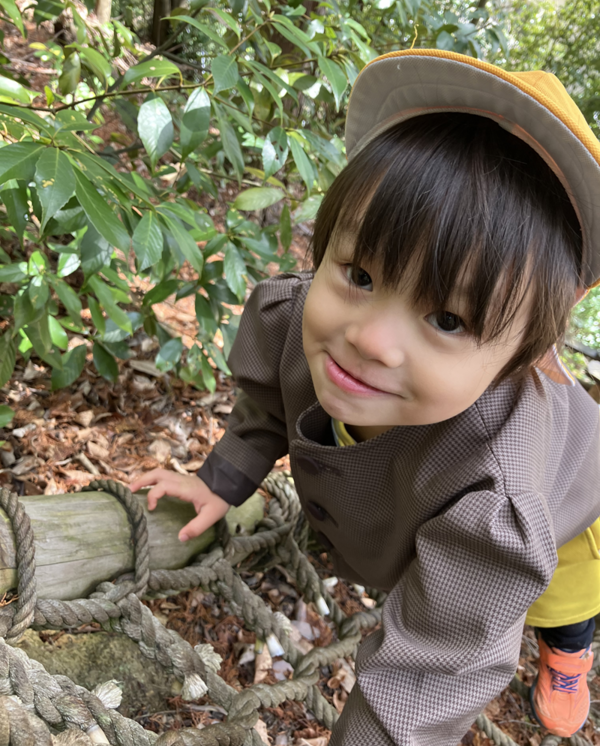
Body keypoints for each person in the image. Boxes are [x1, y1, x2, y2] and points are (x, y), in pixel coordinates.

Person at [129, 49, 600, 746]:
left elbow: (430, 675)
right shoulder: (295, 323)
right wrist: (222, 478)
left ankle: (569, 655)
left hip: (569, 504)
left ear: (522, 356)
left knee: (561, 600)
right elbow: (270, 402)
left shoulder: (500, 499)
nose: (370, 339)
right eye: (360, 275)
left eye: (448, 319)